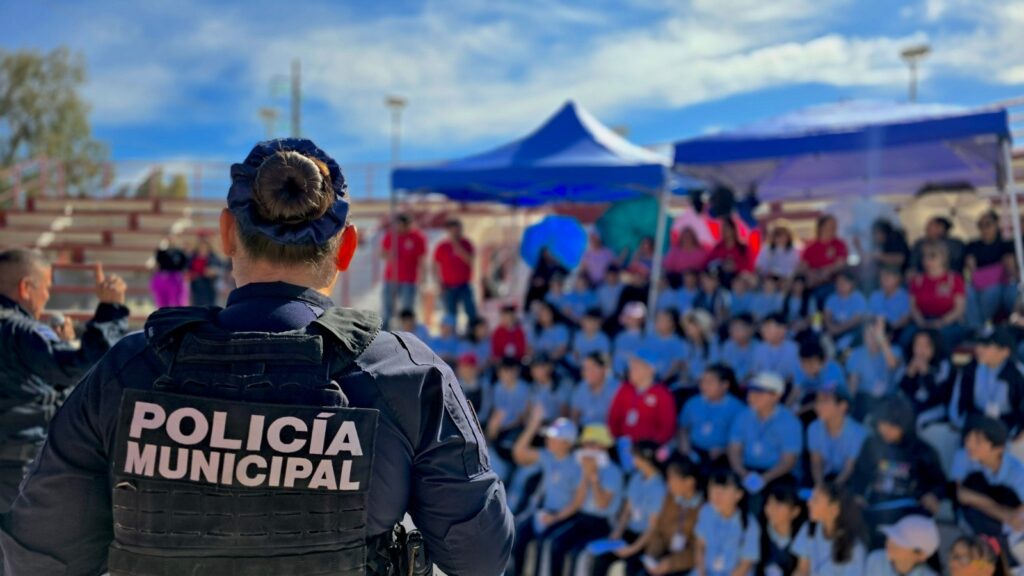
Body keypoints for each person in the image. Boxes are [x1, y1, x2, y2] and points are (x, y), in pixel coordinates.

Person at [0, 139, 514, 575]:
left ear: (227, 233)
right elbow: (481, 554)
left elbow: (37, 556)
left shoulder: (127, 370)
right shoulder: (406, 374)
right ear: (347, 248)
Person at [0, 250, 129, 512]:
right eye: (46, 288)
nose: (47, 297)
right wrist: (111, 310)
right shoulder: (20, 330)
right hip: (16, 470)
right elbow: (84, 366)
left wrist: (60, 345)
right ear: (26, 287)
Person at [849, 396, 945, 549]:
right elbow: (859, 474)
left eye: (892, 425)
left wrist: (933, 495)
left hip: (909, 513)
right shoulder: (871, 445)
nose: (885, 430)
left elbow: (940, 482)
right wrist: (858, 494)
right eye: (882, 424)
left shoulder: (922, 450)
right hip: (876, 509)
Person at [541, 424, 623, 576]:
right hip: (582, 518)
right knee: (555, 543)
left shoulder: (613, 471)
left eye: (592, 444)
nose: (587, 448)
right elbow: (579, 500)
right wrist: (586, 475)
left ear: (603, 446)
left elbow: (602, 504)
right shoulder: (583, 465)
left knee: (579, 555)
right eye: (585, 444)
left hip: (601, 523)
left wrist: (594, 478)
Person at [509, 409, 582, 576]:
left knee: (548, 545)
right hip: (544, 513)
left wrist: (555, 518)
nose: (548, 439)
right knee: (518, 534)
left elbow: (577, 502)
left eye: (554, 437)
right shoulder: (548, 456)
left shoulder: (576, 465)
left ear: (566, 442)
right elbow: (519, 453)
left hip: (564, 517)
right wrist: (533, 426)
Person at [586, 441, 667, 576]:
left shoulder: (659, 488)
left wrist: (632, 549)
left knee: (631, 569)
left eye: (635, 456)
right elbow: (627, 510)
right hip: (629, 534)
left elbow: (653, 528)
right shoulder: (636, 477)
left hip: (645, 540)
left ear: (645, 460)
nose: (632, 459)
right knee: (600, 559)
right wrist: (617, 532)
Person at [951, 417, 1024, 558]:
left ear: (998, 449)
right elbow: (960, 494)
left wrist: (977, 500)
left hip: (1010, 525)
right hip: (982, 517)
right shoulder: (963, 456)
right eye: (968, 438)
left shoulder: (1017, 471)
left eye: (978, 441)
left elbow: (1017, 515)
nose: (969, 444)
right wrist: (1002, 513)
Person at [728, 372, 803, 499]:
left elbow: (788, 460)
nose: (752, 396)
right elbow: (734, 448)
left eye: (760, 392)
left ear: (776, 396)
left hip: (777, 474)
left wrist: (764, 478)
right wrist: (743, 473)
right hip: (746, 470)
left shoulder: (790, 421)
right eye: (751, 391)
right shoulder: (743, 415)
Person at [950, 327, 1024, 445]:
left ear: (1004, 351)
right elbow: (957, 405)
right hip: (975, 427)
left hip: (1007, 429)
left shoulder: (1018, 374)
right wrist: (964, 428)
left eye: (986, 345)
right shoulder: (970, 369)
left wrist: (1015, 434)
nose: (979, 349)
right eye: (978, 344)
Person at [677, 364, 745, 477]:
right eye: (702, 382)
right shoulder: (693, 402)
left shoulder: (738, 408)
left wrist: (724, 450)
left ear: (725, 385)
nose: (704, 386)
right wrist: (685, 447)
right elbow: (683, 428)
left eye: (710, 382)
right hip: (693, 450)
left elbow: (742, 440)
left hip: (721, 455)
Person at [641, 456, 702, 576]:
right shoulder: (670, 498)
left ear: (689, 482)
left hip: (685, 564)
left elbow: (698, 550)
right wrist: (653, 554)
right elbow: (659, 530)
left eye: (672, 479)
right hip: (664, 555)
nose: (668, 483)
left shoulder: (703, 509)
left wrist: (671, 564)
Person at [694, 470, 761, 576]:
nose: (717, 495)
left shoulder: (750, 524)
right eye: (713, 489)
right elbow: (699, 547)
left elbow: (745, 565)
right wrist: (701, 573)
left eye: (724, 490)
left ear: (739, 494)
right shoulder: (706, 511)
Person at [793, 482, 867, 576]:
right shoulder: (809, 528)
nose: (808, 503)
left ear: (834, 508)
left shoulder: (855, 548)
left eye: (815, 500)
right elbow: (802, 569)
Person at [906, 239, 967, 351]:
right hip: (923, 321)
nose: (927, 260)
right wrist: (921, 322)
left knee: (942, 339)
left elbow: (959, 308)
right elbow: (913, 306)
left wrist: (941, 322)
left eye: (932, 256)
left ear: (943, 258)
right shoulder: (917, 280)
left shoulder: (954, 279)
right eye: (924, 256)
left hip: (948, 323)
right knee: (907, 338)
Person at [607, 350, 677, 445]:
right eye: (631, 367)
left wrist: (652, 446)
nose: (630, 370)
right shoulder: (624, 389)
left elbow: (667, 427)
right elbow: (613, 418)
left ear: (649, 370)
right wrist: (617, 440)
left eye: (635, 367)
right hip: (623, 445)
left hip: (648, 449)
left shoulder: (662, 394)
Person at [807, 383, 867, 487]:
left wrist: (831, 490)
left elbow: (849, 468)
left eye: (824, 402)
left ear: (843, 406)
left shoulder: (858, 433)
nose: (817, 406)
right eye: (817, 401)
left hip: (850, 479)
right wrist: (820, 486)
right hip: (826, 476)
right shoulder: (814, 427)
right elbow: (816, 461)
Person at [965, 211, 1017, 330]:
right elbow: (970, 271)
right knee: (968, 291)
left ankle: (980, 327)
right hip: (980, 285)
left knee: (1000, 291)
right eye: (980, 225)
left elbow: (1011, 271)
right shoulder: (973, 245)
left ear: (996, 224)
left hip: (1001, 284)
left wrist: (1010, 265)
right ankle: (976, 328)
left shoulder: (1006, 244)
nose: (984, 228)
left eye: (988, 224)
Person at [845, 318, 902, 421]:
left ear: (887, 337)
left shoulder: (895, 351)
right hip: (864, 398)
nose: (870, 338)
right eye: (867, 334)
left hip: (886, 399)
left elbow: (892, 365)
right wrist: (848, 406)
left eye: (874, 334)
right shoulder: (856, 354)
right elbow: (853, 384)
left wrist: (881, 340)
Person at [896, 329, 953, 429]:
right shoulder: (909, 361)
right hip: (914, 406)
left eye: (926, 346)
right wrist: (909, 375)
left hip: (935, 408)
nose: (920, 350)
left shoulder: (943, 364)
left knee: (919, 420)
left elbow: (940, 396)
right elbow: (903, 392)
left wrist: (926, 373)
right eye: (917, 345)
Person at [379, 213, 427, 329]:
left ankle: (406, 330)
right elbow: (382, 253)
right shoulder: (391, 236)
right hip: (391, 278)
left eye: (403, 225)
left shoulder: (418, 237)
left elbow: (422, 259)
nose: (401, 228)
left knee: (407, 308)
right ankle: (385, 329)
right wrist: (390, 255)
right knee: (388, 307)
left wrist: (423, 277)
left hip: (409, 279)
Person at [434, 218, 478, 329]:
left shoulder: (467, 244)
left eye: (458, 231)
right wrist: (438, 282)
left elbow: (470, 260)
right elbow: (435, 265)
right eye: (453, 231)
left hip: (464, 285)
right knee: (451, 315)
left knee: (471, 311)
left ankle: (472, 333)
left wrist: (458, 248)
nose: (456, 233)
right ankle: (453, 337)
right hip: (448, 286)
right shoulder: (442, 246)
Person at [755, 481, 806, 576]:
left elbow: (802, 570)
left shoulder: (802, 533)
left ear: (795, 511)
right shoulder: (757, 528)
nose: (772, 509)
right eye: (769, 503)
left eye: (778, 505)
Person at [863, 515, 941, 576]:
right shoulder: (875, 560)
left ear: (921, 555)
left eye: (900, 541)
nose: (890, 542)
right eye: (892, 536)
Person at [798, 215, 849, 307]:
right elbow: (803, 266)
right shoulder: (810, 247)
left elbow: (840, 264)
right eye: (831, 225)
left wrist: (823, 273)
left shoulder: (839, 244)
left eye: (835, 225)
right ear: (821, 227)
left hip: (832, 282)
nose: (834, 228)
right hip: (812, 282)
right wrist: (811, 275)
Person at [790, 339, 845, 421]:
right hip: (810, 399)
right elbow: (794, 393)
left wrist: (797, 412)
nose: (807, 368)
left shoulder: (833, 370)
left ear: (824, 361)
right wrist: (785, 410)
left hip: (831, 400)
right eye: (804, 363)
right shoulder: (801, 368)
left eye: (811, 364)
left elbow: (823, 399)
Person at [570, 353, 620, 427]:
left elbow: (619, 418)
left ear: (604, 369)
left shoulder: (616, 388)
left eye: (592, 368)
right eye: (585, 368)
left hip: (607, 432)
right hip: (584, 431)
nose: (587, 372)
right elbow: (575, 414)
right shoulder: (582, 386)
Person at [823, 270, 867, 353]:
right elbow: (827, 317)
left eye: (843, 283)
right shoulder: (831, 298)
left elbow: (856, 320)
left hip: (850, 329)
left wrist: (838, 330)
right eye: (838, 283)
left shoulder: (859, 299)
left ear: (851, 284)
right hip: (833, 328)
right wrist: (832, 328)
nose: (840, 286)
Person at [753, 313, 802, 384]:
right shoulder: (759, 348)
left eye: (768, 328)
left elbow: (794, 376)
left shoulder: (794, 349)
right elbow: (754, 372)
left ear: (783, 329)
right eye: (763, 327)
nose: (763, 331)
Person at [643, 308, 687, 383]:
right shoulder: (649, 339)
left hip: (666, 382)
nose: (657, 323)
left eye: (662, 320)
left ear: (672, 323)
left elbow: (677, 365)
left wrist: (662, 380)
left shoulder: (678, 343)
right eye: (657, 320)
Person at [705, 218, 753, 287]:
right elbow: (708, 264)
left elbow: (750, 267)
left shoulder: (743, 248)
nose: (725, 231)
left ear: (733, 230)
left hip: (739, 280)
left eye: (727, 229)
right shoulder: (718, 248)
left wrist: (735, 266)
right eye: (723, 229)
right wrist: (721, 265)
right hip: (720, 279)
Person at [868, 266, 911, 337]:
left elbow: (905, 319)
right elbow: (869, 315)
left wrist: (891, 327)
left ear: (897, 279)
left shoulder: (904, 296)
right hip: (876, 329)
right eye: (882, 277)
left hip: (896, 330)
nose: (884, 279)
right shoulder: (875, 295)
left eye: (888, 276)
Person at [529, 354, 572, 422]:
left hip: (556, 425)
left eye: (539, 367)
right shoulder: (534, 386)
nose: (535, 370)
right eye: (533, 367)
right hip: (538, 424)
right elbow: (529, 410)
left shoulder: (560, 385)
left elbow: (564, 414)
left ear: (550, 367)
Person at [151, 236, 189, 308]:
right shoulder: (161, 252)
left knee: (178, 302)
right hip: (163, 277)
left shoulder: (180, 252)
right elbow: (157, 264)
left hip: (176, 278)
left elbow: (184, 266)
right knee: (163, 303)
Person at [720, 314, 758, 386]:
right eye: (731, 329)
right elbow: (725, 367)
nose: (732, 332)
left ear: (750, 330)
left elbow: (755, 372)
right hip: (732, 385)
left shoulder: (759, 347)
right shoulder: (728, 345)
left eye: (737, 329)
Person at [613, 302, 647, 378]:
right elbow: (617, 359)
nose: (631, 320)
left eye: (634, 318)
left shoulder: (646, 338)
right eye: (629, 317)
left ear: (641, 319)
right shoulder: (619, 337)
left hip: (639, 376)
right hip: (620, 377)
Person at [188, 235, 223, 306]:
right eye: (201, 246)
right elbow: (187, 270)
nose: (202, 248)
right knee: (197, 307)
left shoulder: (213, 257)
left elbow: (221, 270)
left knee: (209, 307)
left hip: (209, 286)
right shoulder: (192, 257)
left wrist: (214, 271)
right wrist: (190, 275)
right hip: (196, 287)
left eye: (204, 246)